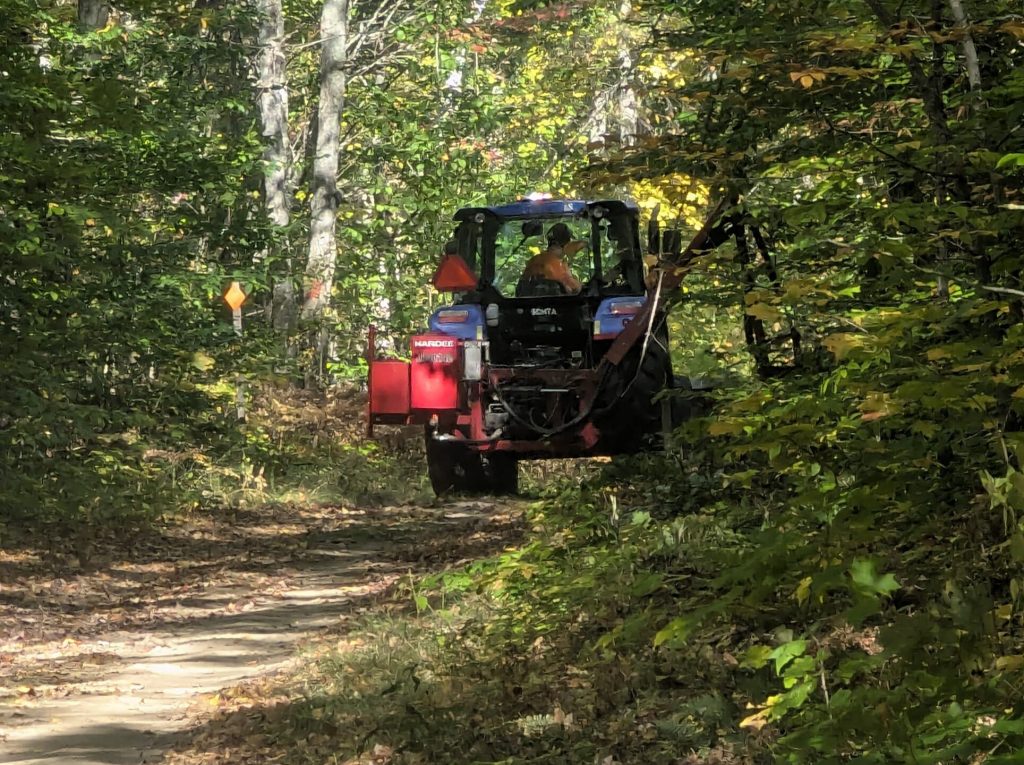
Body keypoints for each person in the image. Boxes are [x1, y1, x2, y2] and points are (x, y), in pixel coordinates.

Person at [518, 222, 584, 295]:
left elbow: (520, 290)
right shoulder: (557, 264)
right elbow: (575, 289)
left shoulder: (534, 260)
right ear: (565, 244)